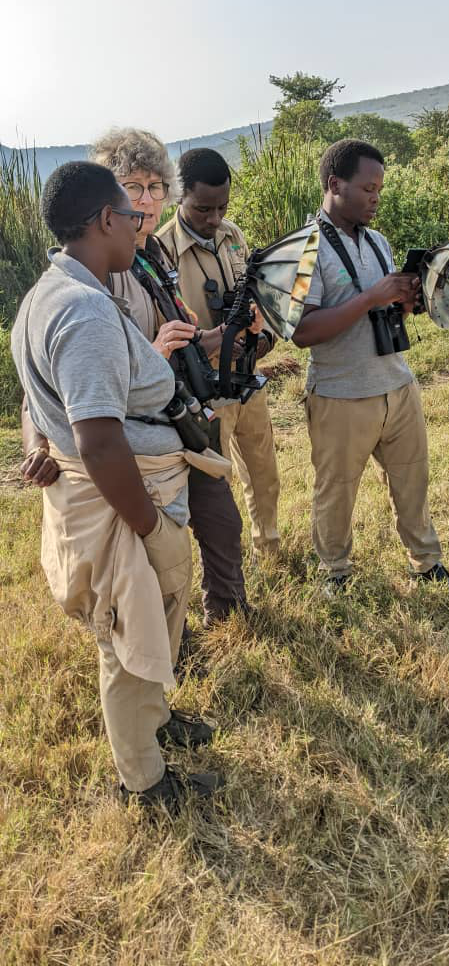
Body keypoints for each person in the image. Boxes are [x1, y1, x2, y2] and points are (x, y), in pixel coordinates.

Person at [12, 161, 227, 813]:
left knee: (151, 629)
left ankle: (156, 723)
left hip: (131, 493)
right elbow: (100, 441)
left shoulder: (56, 292)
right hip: (126, 506)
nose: (142, 228)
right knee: (127, 639)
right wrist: (150, 527)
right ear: (106, 219)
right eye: (133, 217)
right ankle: (144, 781)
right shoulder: (83, 311)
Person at [89, 128, 252, 631]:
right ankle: (170, 649)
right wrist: (157, 353)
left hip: (188, 417)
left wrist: (225, 337)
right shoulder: (103, 267)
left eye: (156, 187)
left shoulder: (152, 256)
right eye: (133, 187)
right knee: (159, 551)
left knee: (222, 523)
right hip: (145, 436)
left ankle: (228, 616)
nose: (147, 200)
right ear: (109, 198)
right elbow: (98, 364)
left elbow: (181, 336)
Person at [292, 139, 449, 597]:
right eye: (368, 189)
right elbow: (303, 332)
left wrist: (408, 299)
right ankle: (336, 573)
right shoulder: (306, 249)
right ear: (335, 184)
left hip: (397, 384)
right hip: (341, 393)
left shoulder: (378, 241)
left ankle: (427, 564)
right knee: (337, 491)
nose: (375, 198)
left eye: (380, 190)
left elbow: (383, 310)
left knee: (413, 479)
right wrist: (371, 297)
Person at [158, 149, 280, 557]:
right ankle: (232, 564)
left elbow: (252, 295)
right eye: (203, 209)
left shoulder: (232, 234)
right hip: (204, 390)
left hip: (246, 376)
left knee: (263, 471)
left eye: (222, 207)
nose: (213, 219)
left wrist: (260, 335)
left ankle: (270, 549)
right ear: (179, 196)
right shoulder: (161, 252)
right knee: (216, 487)